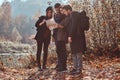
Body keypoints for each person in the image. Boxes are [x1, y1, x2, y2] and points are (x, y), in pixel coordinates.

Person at [61, 5, 87, 74]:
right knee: (74, 53)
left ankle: (79, 69)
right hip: (74, 37)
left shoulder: (74, 14)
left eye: (64, 11)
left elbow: (74, 26)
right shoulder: (70, 16)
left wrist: (70, 36)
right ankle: (75, 68)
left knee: (78, 53)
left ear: (68, 10)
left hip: (77, 37)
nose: (64, 13)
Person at [34, 6, 53, 71]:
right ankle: (39, 66)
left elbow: (52, 29)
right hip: (40, 37)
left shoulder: (52, 20)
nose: (49, 13)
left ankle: (44, 65)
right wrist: (42, 22)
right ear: (46, 12)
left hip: (47, 37)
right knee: (39, 51)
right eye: (48, 12)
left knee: (45, 51)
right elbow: (36, 25)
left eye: (50, 12)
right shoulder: (42, 17)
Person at [53, 3, 67, 71]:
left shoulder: (63, 15)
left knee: (62, 50)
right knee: (58, 50)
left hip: (62, 34)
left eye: (58, 8)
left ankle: (63, 66)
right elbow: (53, 25)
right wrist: (53, 36)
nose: (57, 10)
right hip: (56, 34)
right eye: (56, 9)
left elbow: (64, 24)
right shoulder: (55, 14)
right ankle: (59, 64)